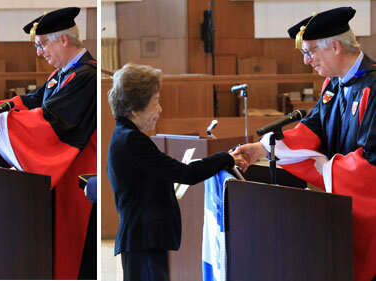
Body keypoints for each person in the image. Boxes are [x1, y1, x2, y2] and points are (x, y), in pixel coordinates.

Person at [0, 7, 96, 279]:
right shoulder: (61, 74)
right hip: (64, 176)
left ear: (63, 40)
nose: (39, 52)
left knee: (80, 252)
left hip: (80, 177)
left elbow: (52, 123)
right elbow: (31, 101)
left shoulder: (87, 76)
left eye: (42, 44)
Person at [233, 7, 376, 281]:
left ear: (335, 46)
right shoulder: (332, 86)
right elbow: (314, 128)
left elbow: (373, 160)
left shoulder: (373, 86)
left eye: (310, 52)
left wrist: (328, 169)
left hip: (369, 210)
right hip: (341, 203)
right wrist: (264, 148)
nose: (308, 61)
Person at [106, 63, 244, 281]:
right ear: (134, 109)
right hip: (143, 241)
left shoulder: (124, 134)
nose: (160, 109)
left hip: (142, 240)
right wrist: (226, 157)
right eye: (155, 103)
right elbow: (185, 174)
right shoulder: (132, 140)